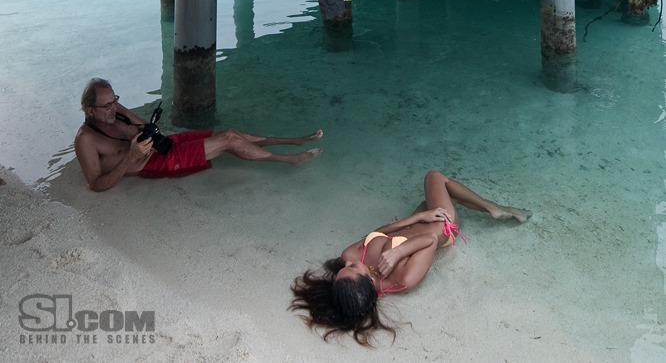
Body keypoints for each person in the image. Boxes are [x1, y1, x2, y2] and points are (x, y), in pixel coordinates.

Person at [290, 168, 531, 345]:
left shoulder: (350, 255)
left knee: (427, 202)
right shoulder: (403, 280)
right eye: (353, 268)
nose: (349, 262)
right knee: (434, 177)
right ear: (367, 283)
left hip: (420, 221)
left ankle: (495, 209)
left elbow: (381, 231)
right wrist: (398, 252)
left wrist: (418, 218)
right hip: (442, 228)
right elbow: (430, 242)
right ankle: (495, 208)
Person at [75, 79, 323, 192]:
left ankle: (289, 140)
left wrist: (147, 129)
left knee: (232, 132)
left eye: (114, 100)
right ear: (89, 110)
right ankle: (287, 159)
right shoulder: (86, 140)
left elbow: (143, 126)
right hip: (152, 163)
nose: (113, 107)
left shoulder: (115, 111)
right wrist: (131, 157)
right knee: (228, 141)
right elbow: (96, 185)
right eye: (106, 105)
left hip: (163, 145)